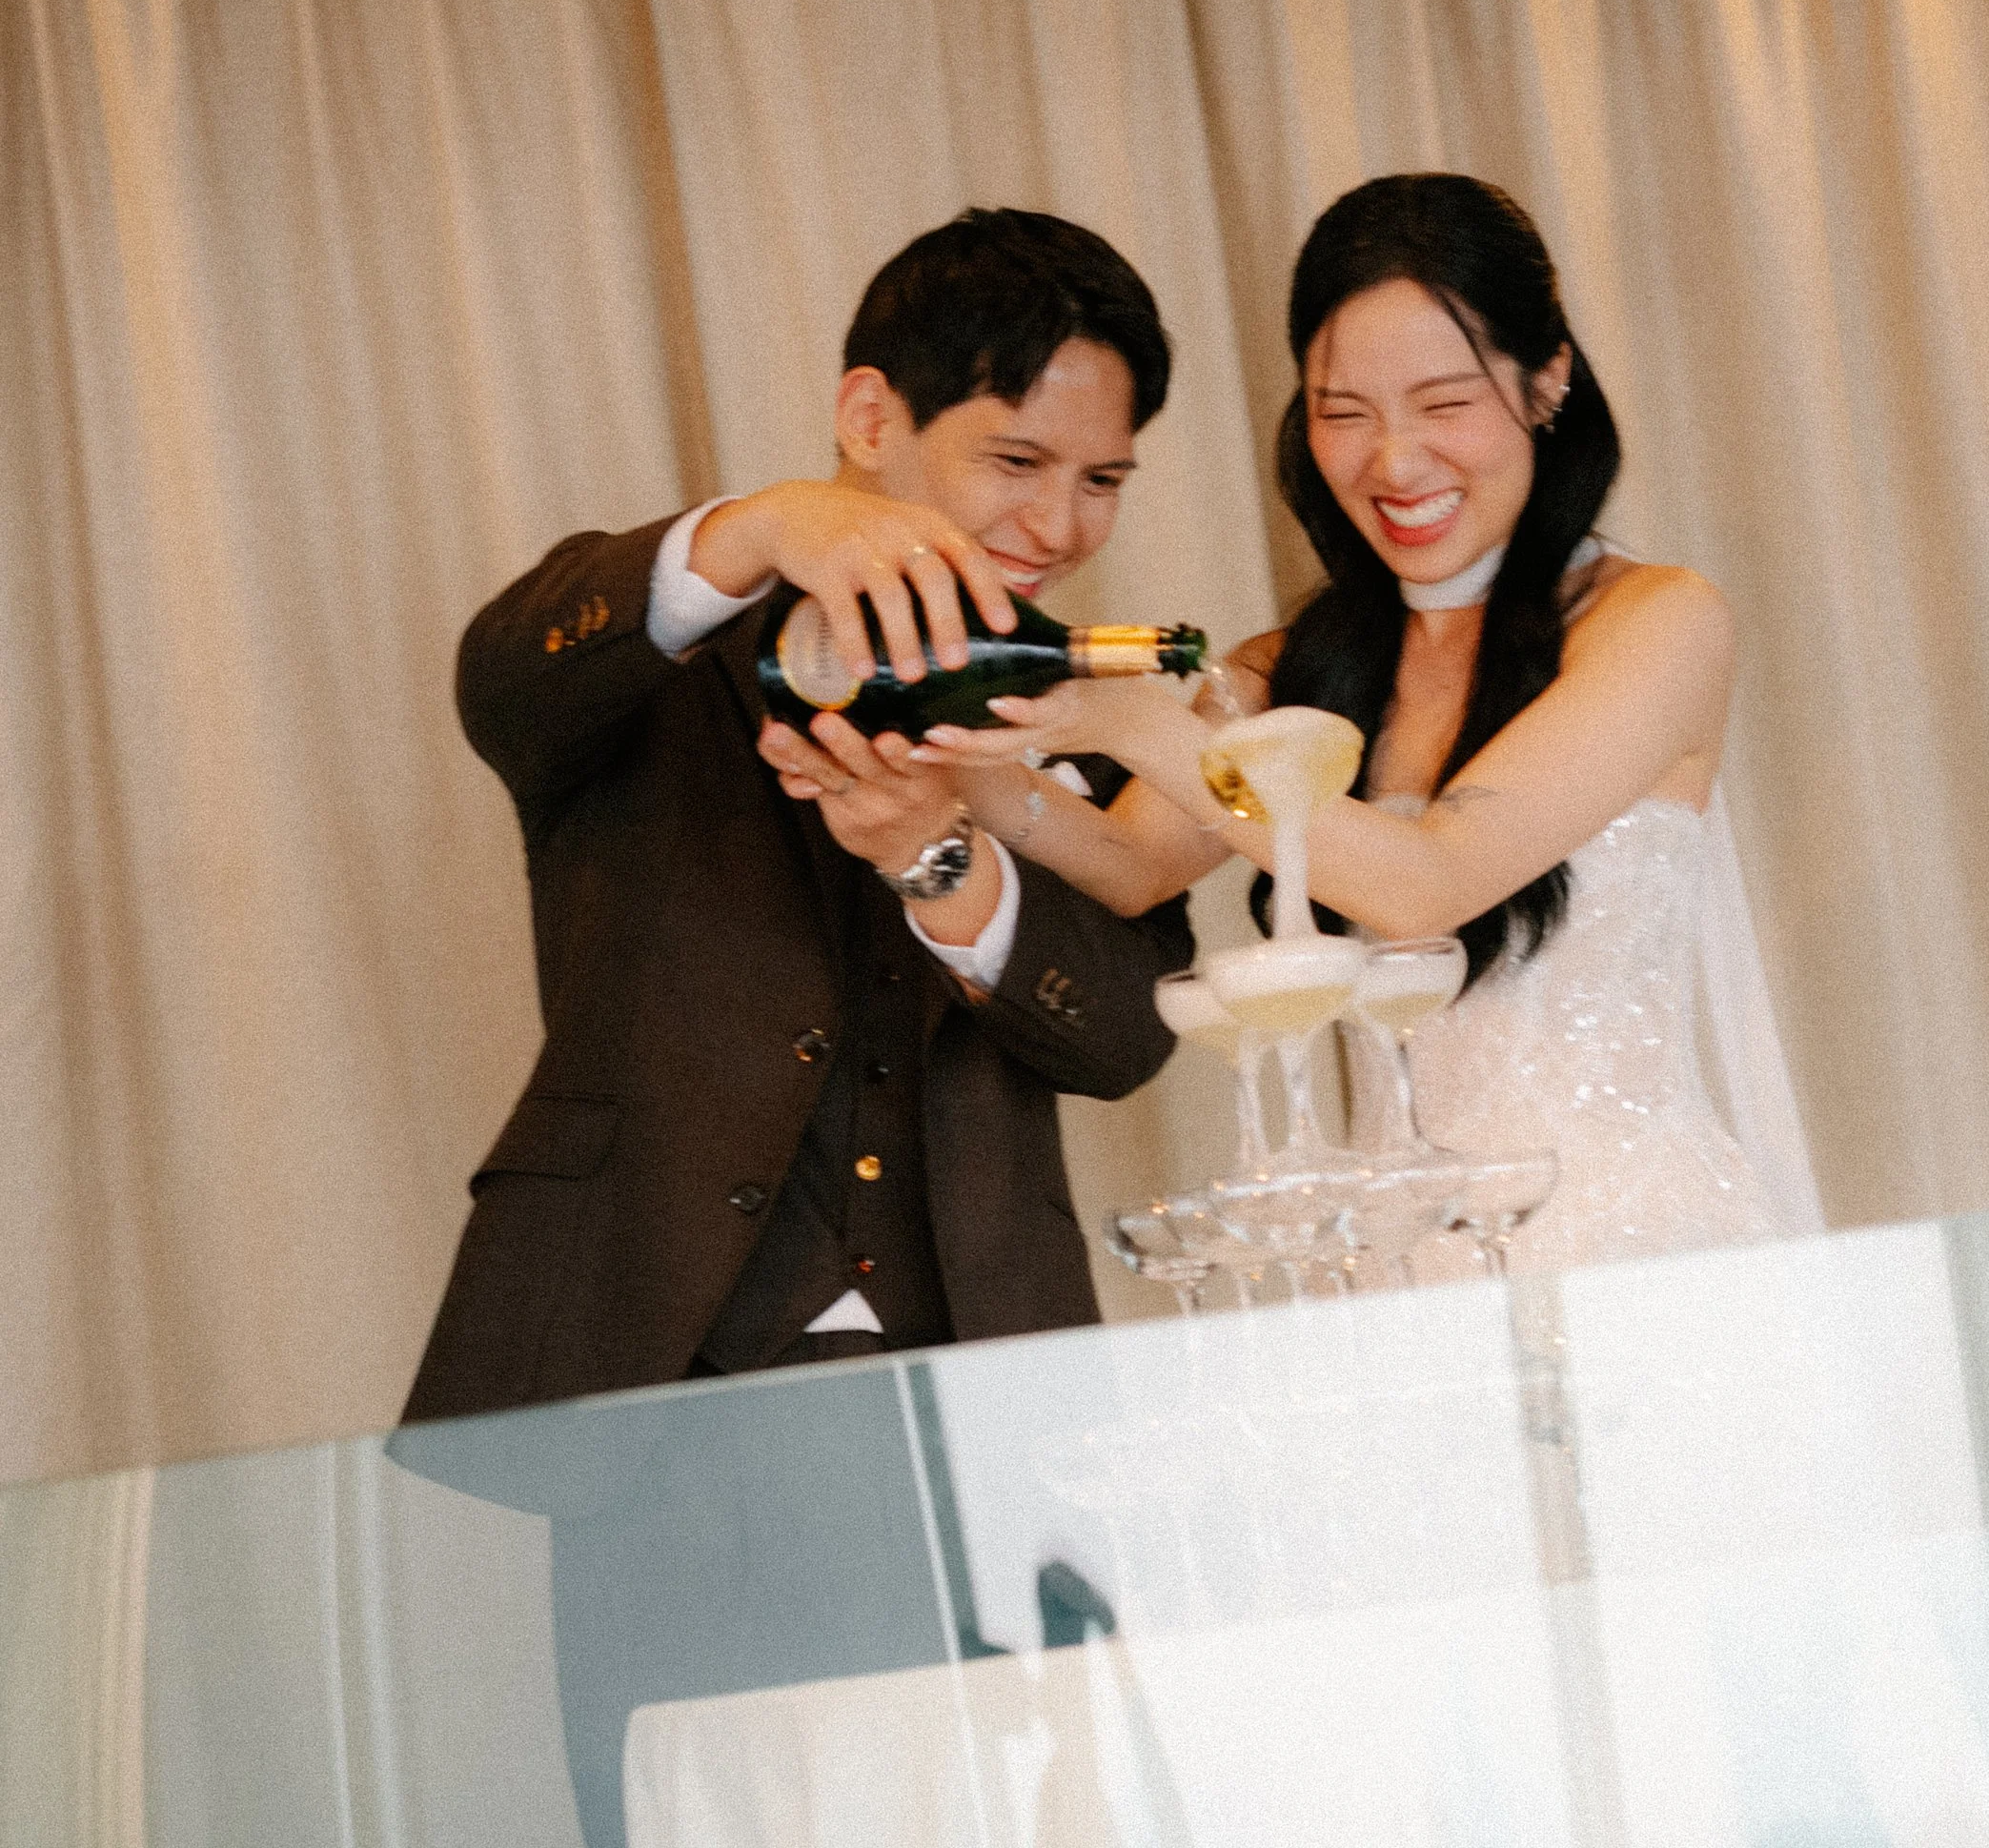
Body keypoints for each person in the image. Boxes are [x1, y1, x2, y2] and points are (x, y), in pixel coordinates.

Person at [897, 173, 1820, 1271]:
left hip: (1639, 1245)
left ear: (1546, 382)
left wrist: (1131, 720)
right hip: (1400, 1252)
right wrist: (957, 744)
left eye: (1444, 404)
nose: (1392, 460)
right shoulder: (1292, 667)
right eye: (1345, 413)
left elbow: (1426, 884)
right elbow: (1125, 860)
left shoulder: (1657, 620)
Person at [403, 207, 1195, 1425]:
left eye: (1103, 481)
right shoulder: (661, 652)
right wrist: (765, 525)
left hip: (988, 1382)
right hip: (647, 1370)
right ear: (871, 418)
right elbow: (502, 672)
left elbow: (1128, 1039)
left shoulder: (1073, 710)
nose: (1060, 526)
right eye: (1018, 462)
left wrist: (942, 866)